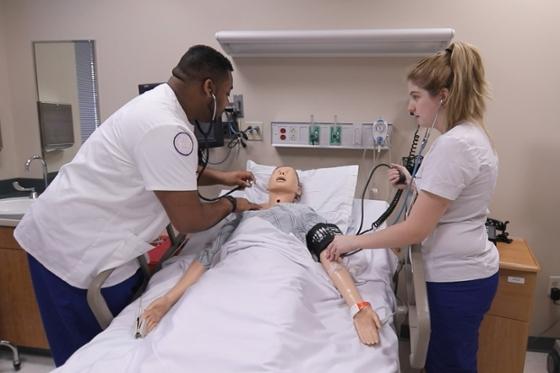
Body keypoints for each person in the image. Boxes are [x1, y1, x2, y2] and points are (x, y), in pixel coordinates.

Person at [14, 45, 260, 366]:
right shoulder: (165, 127)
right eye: (226, 94)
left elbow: (163, 169)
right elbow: (189, 219)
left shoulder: (156, 106)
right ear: (208, 88)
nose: (226, 104)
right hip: (68, 252)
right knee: (86, 360)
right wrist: (233, 204)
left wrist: (222, 176)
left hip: (91, 241)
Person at [325, 41, 499, 373]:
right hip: (465, 274)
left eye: (416, 96)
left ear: (443, 96)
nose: (410, 107)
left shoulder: (455, 145)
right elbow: (452, 198)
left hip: (456, 281)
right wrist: (415, 183)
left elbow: (417, 229)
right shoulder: (470, 134)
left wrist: (353, 241)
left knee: (449, 366)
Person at [140, 166, 382, 346]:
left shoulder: (304, 213)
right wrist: (167, 300)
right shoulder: (240, 214)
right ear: (266, 186)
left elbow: (330, 256)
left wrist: (358, 307)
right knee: (197, 325)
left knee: (276, 328)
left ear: (298, 190)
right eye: (277, 170)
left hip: (281, 272)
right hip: (232, 273)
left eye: (289, 172)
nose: (281, 172)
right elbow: (207, 255)